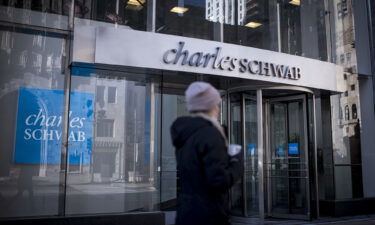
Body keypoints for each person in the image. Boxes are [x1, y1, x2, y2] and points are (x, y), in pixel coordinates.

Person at [170, 81, 244, 225]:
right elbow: (218, 181)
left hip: (187, 213)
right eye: (216, 104)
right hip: (209, 215)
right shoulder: (210, 134)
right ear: (209, 106)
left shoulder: (185, 134)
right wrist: (237, 161)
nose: (217, 109)